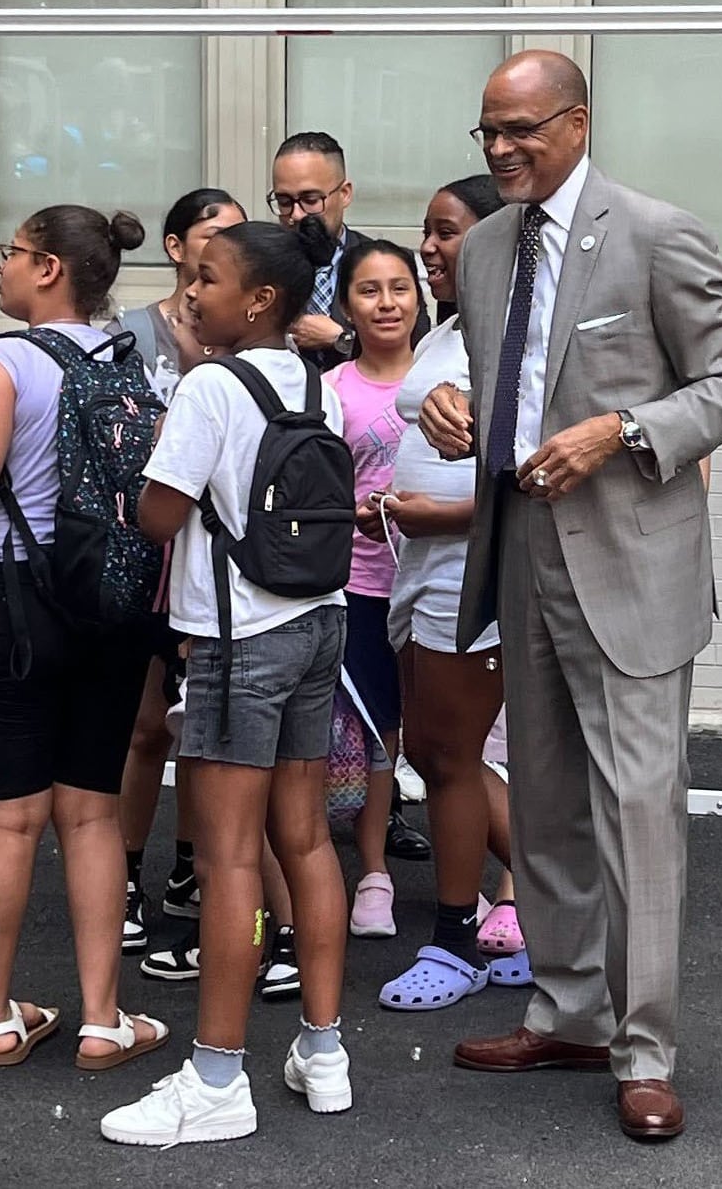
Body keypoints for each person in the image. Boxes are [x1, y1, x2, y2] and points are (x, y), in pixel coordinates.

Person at [418, 49, 722, 1143]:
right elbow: (504, 381)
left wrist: (621, 432)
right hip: (519, 547)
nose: (501, 149)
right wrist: (448, 405)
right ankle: (567, 1009)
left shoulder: (657, 232)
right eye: (487, 132)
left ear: (575, 121)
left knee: (638, 807)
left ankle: (644, 1046)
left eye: (520, 129)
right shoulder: (479, 248)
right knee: (552, 795)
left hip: (632, 560)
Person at [102, 220, 355, 1143]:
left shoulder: (211, 383)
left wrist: (157, 450)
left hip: (237, 639)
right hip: (317, 623)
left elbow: (158, 514)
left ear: (258, 300)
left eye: (206, 278)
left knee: (227, 857)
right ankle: (322, 1052)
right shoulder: (314, 379)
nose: (190, 292)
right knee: (307, 842)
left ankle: (215, 1077)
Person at [0, 206, 171, 1075]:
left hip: (14, 600)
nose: (0, 268)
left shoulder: (2, 362)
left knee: (9, 815)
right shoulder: (131, 361)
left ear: (46, 268)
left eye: (10, 254)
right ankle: (102, 1017)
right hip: (109, 605)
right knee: (92, 811)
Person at [379, 175, 525, 1010]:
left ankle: (454, 937)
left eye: (446, 231)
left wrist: (446, 514)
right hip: (425, 567)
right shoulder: (458, 328)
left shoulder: (515, 337)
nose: (427, 247)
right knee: (434, 757)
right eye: (426, 231)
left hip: (474, 575)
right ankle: (556, 914)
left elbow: (537, 474)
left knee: (454, 759)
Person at [112, 185, 246, 953]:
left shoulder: (245, 333)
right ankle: (128, 874)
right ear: (174, 247)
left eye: (235, 233)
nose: (222, 243)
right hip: (147, 556)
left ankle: (192, 866)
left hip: (217, 566)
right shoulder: (131, 335)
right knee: (143, 728)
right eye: (210, 232)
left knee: (204, 729)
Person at [332, 239, 426, 938]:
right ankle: (373, 873)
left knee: (457, 738)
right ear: (345, 305)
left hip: (440, 586)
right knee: (376, 735)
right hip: (362, 586)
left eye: (399, 286)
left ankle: (479, 883)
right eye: (369, 289)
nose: (387, 302)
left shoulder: (452, 376)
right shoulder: (333, 390)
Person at [271, 131, 367, 374]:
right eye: (284, 202)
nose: (296, 215)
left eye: (310, 200)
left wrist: (343, 339)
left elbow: (411, 353)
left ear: (344, 194)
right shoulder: (261, 266)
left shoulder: (381, 262)